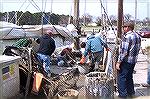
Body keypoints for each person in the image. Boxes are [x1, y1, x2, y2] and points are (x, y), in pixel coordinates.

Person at [116, 22, 141, 98]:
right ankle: (131, 92)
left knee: (121, 77)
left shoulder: (127, 37)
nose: (123, 28)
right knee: (129, 76)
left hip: (126, 61)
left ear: (129, 27)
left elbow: (124, 52)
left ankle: (123, 95)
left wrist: (118, 62)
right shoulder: (137, 36)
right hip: (133, 61)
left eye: (124, 27)